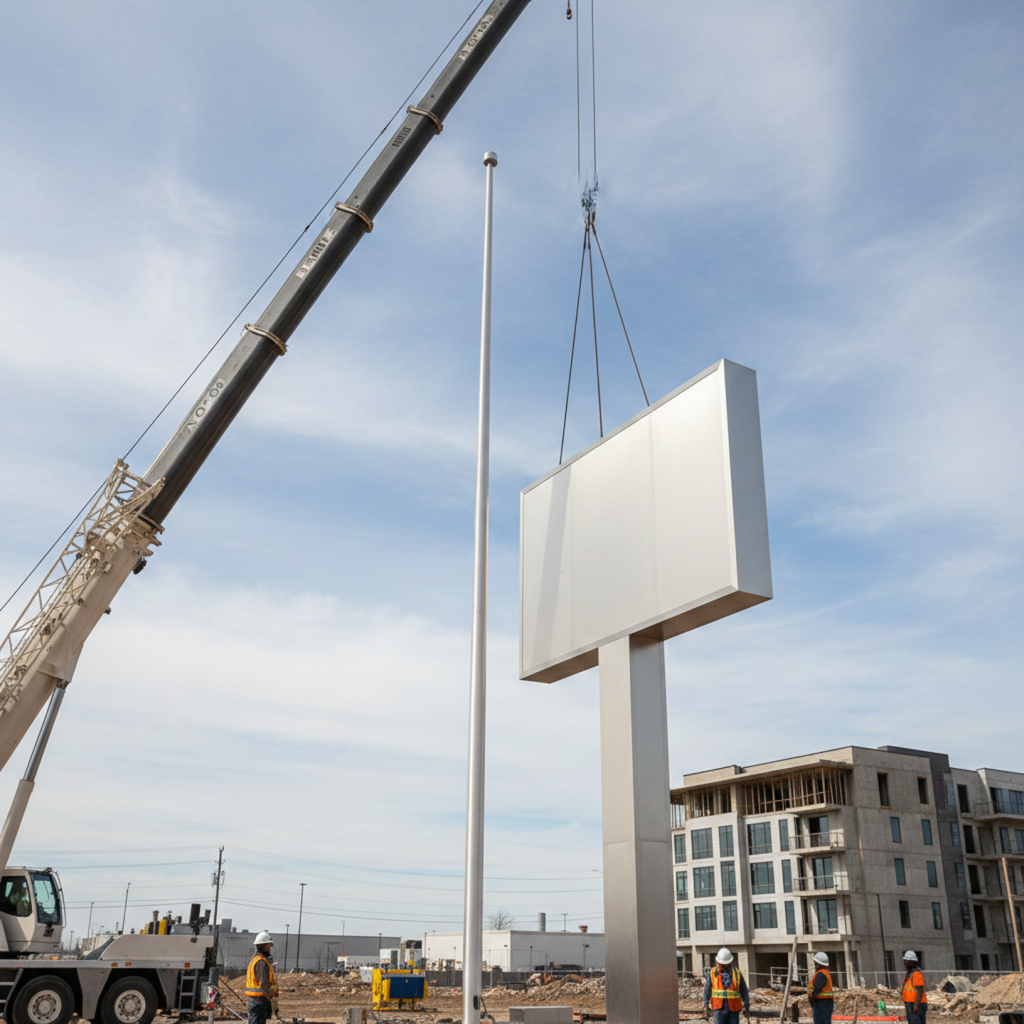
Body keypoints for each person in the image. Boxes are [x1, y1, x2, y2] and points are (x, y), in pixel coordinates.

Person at [704, 947, 750, 1024]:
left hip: (733, 1009)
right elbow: (707, 989)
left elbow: (744, 990)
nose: (722, 965)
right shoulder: (712, 973)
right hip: (718, 1008)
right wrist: (705, 1004)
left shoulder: (736, 973)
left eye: (724, 964)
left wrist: (746, 1004)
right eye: (721, 964)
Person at [245, 931, 280, 1024]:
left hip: (255, 1001)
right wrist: (271, 997)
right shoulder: (262, 962)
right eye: (268, 945)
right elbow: (264, 984)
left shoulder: (255, 959)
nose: (269, 948)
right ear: (263, 946)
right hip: (259, 1002)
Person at [806, 951, 834, 1024]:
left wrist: (811, 998)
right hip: (826, 1004)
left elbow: (816, 989)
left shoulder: (820, 974)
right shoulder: (825, 973)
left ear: (818, 964)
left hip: (820, 1005)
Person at [901, 951, 927, 1024]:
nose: (905, 963)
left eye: (907, 961)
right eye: (905, 961)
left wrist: (916, 1004)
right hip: (910, 1003)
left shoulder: (916, 974)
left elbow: (920, 989)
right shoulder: (910, 973)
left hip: (916, 1004)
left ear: (912, 962)